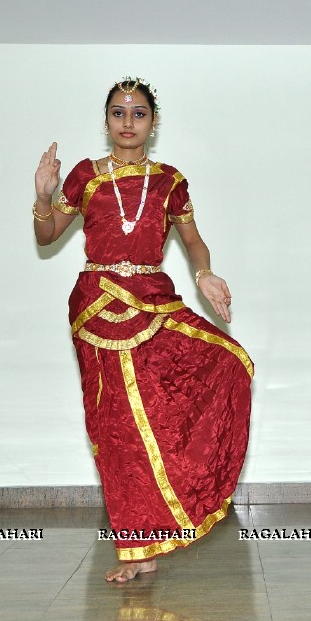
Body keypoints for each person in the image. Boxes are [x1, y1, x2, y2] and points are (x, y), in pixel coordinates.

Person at [33, 77, 253, 583]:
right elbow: (47, 236)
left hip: (154, 302)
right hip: (97, 307)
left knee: (224, 368)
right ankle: (136, 549)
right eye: (118, 113)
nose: (127, 122)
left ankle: (174, 512)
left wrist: (204, 274)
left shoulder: (170, 180)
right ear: (106, 121)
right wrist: (44, 196)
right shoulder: (86, 175)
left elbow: (194, 242)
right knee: (115, 430)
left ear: (154, 123)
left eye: (138, 113)